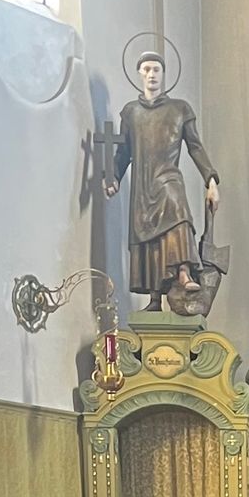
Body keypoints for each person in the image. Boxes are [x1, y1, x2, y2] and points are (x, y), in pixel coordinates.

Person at [104, 53, 220, 312]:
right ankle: (155, 298)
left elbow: (195, 147)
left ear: (163, 74)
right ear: (139, 74)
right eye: (146, 69)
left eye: (156, 69)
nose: (152, 74)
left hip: (169, 178)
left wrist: (210, 180)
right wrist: (113, 177)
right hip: (143, 186)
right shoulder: (131, 113)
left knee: (179, 216)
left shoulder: (180, 109)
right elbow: (123, 152)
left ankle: (183, 272)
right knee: (149, 236)